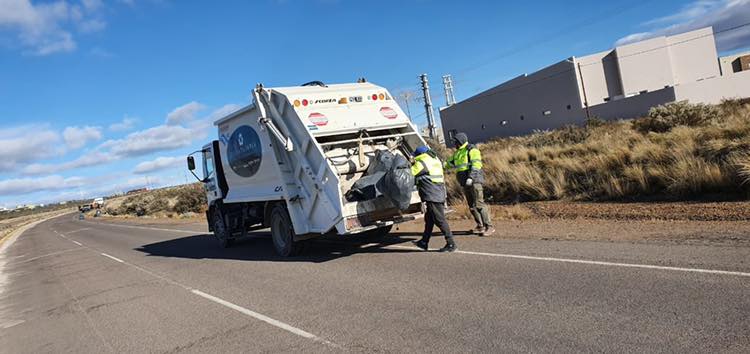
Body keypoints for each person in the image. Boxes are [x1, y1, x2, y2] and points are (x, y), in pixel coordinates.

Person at [444, 132, 495, 236]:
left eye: (456, 142)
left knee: (479, 204)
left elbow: (476, 165)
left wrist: (471, 177)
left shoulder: (472, 150)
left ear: (460, 141)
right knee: (471, 205)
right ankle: (480, 226)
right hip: (464, 182)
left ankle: (489, 226)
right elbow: (449, 164)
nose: (455, 144)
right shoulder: (458, 153)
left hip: (474, 181)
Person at [410, 145, 457, 253]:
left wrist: (411, 163)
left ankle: (451, 244)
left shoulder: (421, 163)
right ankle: (424, 242)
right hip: (438, 193)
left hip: (432, 195)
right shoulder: (435, 160)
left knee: (440, 220)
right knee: (429, 220)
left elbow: (410, 173)